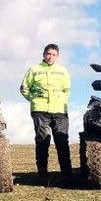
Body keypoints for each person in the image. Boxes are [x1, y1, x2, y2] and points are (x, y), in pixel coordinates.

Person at [19, 43, 73, 184]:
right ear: (44, 54)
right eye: (48, 54)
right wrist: (34, 100)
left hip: (60, 111)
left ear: (57, 56)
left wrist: (62, 101)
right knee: (43, 141)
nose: (50, 57)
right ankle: (42, 175)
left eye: (54, 54)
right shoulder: (34, 69)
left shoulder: (62, 71)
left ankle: (67, 175)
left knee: (62, 141)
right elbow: (24, 88)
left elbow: (67, 90)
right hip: (40, 111)